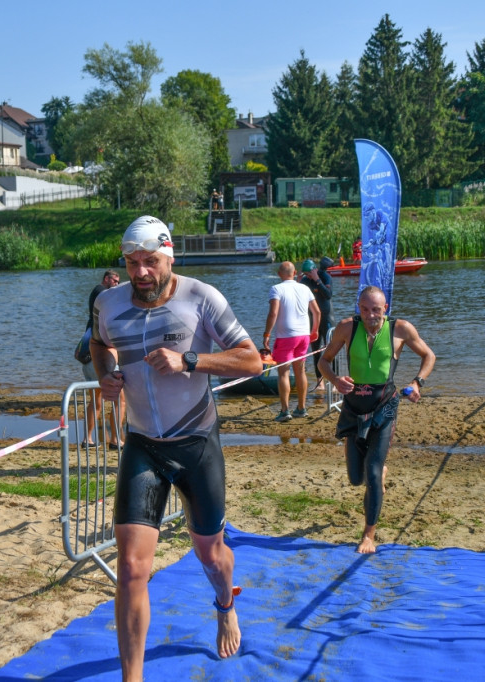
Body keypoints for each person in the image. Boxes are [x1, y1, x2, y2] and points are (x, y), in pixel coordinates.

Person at [89, 215, 261, 681]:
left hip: (196, 444)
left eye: (150, 262)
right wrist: (106, 375)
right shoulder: (108, 302)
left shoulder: (201, 298)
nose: (141, 272)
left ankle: (226, 604)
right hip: (143, 445)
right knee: (129, 567)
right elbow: (99, 343)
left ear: (169, 256)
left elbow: (252, 359)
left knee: (210, 554)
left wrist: (190, 359)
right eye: (132, 263)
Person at [318, 285, 435, 554]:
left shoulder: (401, 329)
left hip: (385, 406)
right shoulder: (346, 328)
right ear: (359, 308)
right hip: (352, 407)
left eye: (376, 310)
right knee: (356, 479)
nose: (371, 315)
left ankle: (369, 536)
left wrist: (417, 383)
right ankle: (373, 464)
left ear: (386, 309)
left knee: (372, 474)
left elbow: (429, 356)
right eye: (365, 309)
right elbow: (324, 361)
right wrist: (335, 379)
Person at [263, 261, 320, 421]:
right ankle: (301, 408)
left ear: (279, 274)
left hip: (286, 336)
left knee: (283, 373)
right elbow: (317, 311)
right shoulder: (305, 288)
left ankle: (285, 410)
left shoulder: (276, 288)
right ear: (295, 273)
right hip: (303, 335)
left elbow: (273, 314)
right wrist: (314, 330)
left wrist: (266, 334)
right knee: (300, 371)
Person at [82, 269, 125, 446]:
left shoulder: (97, 297)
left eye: (118, 282)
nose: (116, 284)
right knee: (120, 399)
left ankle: (88, 438)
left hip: (90, 356)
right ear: (106, 279)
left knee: (96, 399)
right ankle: (115, 439)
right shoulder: (102, 293)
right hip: (104, 356)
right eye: (115, 281)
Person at [299, 258, 333, 390]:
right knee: (315, 351)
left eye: (309, 274)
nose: (308, 277)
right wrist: (297, 281)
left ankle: (333, 380)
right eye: (306, 274)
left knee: (331, 349)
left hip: (327, 317)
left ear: (314, 270)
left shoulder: (325, 277)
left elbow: (328, 295)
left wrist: (317, 280)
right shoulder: (305, 281)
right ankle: (320, 381)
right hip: (313, 318)